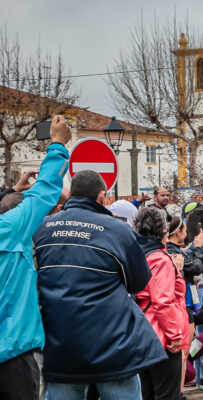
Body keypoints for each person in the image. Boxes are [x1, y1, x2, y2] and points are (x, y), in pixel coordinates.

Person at [34, 169, 166, 399]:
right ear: (102, 197)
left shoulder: (42, 228)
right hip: (113, 343)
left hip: (60, 342)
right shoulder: (118, 230)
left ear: (72, 194)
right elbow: (138, 283)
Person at [0, 115, 70, 398]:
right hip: (12, 352)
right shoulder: (10, 228)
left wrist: (12, 192)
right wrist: (57, 144)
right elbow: (44, 192)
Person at [134, 207, 189, 400]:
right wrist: (174, 336)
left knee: (146, 393)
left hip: (141, 333)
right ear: (162, 231)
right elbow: (163, 300)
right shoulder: (160, 259)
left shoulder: (137, 254)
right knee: (167, 395)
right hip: (162, 336)